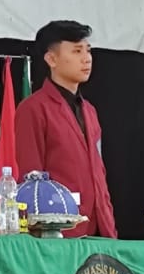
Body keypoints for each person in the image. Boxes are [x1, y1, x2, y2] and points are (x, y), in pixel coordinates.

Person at [15, 20, 117, 238]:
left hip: (100, 228)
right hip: (58, 230)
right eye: (77, 51)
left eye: (88, 50)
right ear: (51, 59)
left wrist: (109, 223)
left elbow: (99, 173)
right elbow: (31, 178)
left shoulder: (90, 111)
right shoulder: (33, 109)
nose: (87, 58)